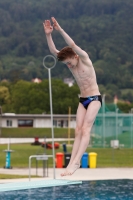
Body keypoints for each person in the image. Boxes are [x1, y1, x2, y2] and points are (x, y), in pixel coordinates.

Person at [43, 17, 102, 176]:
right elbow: (54, 52)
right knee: (77, 130)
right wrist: (49, 35)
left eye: (69, 62)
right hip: (83, 99)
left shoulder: (84, 59)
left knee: (85, 129)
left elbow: (73, 45)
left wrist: (60, 30)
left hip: (95, 99)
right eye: (66, 65)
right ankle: (71, 163)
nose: (68, 66)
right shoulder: (70, 63)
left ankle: (77, 162)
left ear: (75, 57)